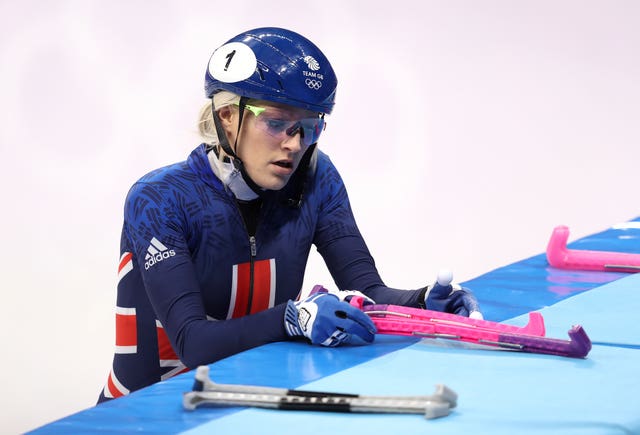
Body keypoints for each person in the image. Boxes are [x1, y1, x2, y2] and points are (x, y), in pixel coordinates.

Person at [98, 27, 481, 403]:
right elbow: (193, 343)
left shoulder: (317, 178)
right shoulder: (160, 198)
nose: (295, 144)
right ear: (228, 116)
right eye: (276, 123)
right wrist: (290, 319)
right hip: (142, 416)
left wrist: (422, 304)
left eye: (309, 127)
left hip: (242, 412)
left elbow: (370, 292)